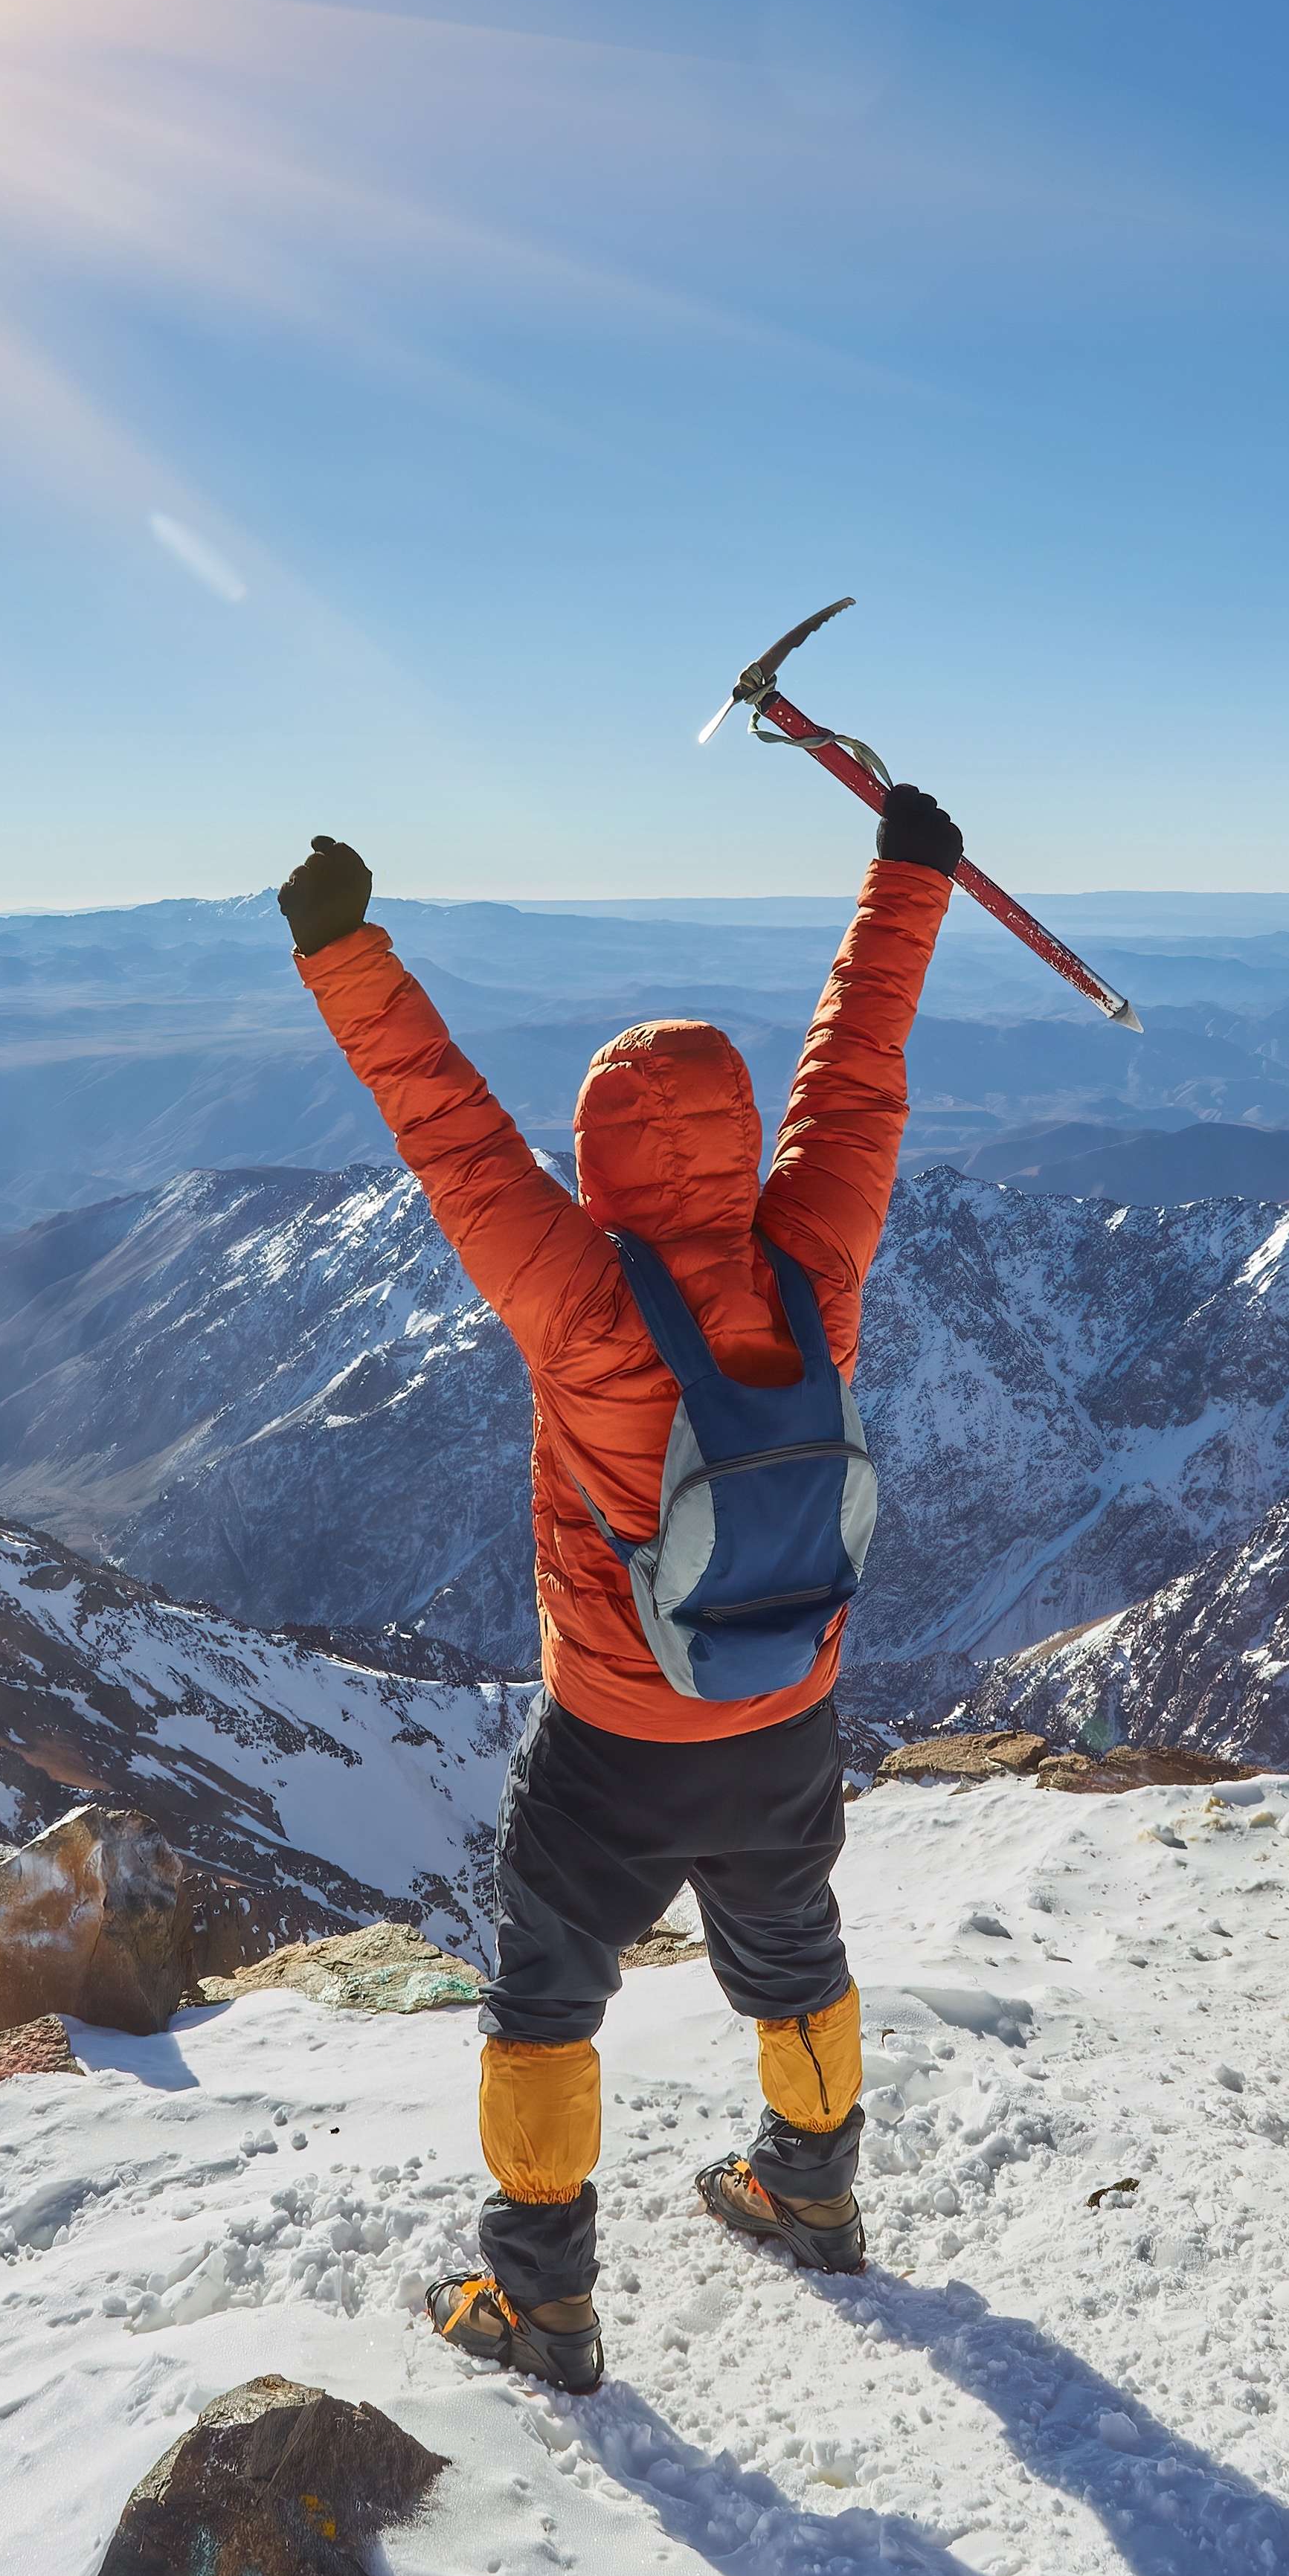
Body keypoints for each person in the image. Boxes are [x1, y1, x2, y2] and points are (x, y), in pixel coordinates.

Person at [278, 782, 962, 2394]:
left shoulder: (580, 1295)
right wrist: (908, 879)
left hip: (614, 1735)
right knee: (795, 1951)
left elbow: (443, 1125)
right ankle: (810, 2190)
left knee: (541, 2002)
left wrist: (343, 950)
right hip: (789, 1701)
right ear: (738, 1147)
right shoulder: (819, 1257)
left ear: (596, 1155)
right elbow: (855, 1077)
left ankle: (541, 2301)